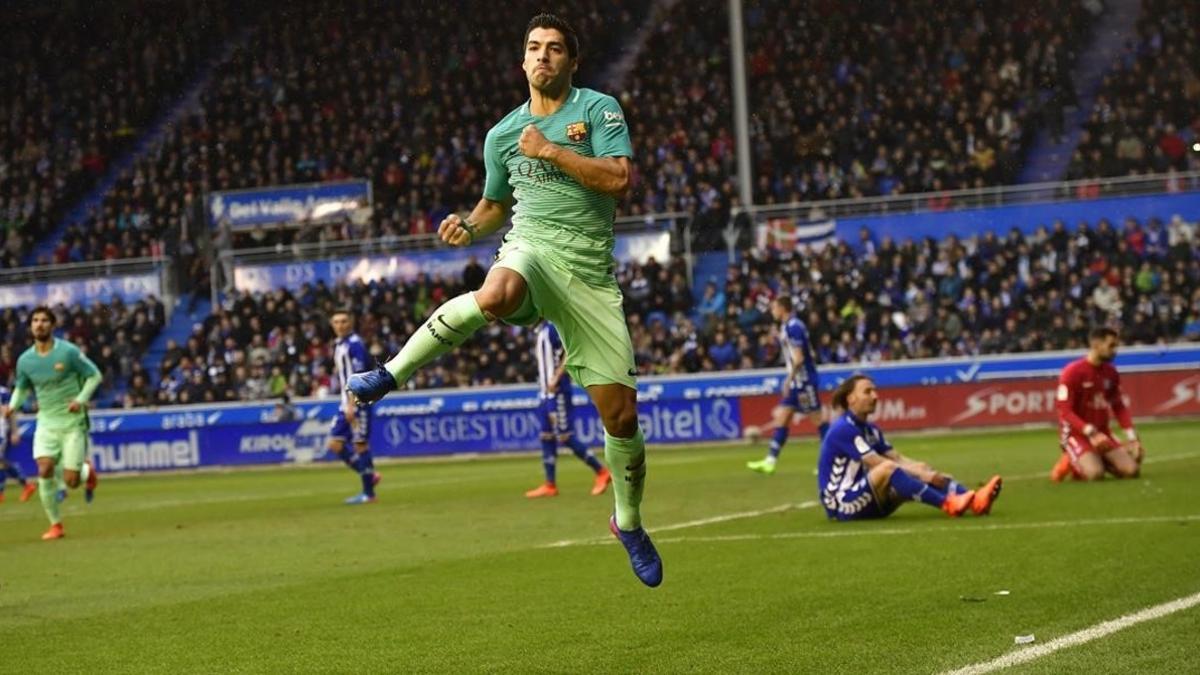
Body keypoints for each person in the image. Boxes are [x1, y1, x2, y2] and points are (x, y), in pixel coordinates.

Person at [348, 13, 661, 586]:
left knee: (621, 419)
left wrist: (550, 151)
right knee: (498, 289)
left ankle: (628, 522)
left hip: (588, 276)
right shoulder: (501, 134)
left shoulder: (597, 109)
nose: (544, 56)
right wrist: (468, 227)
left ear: (571, 62)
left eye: (556, 49)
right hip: (531, 249)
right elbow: (494, 205)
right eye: (534, 48)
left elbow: (618, 179)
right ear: (522, 62)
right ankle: (390, 374)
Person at [818, 375, 1002, 521]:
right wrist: (920, 475)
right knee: (888, 469)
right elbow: (876, 462)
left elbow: (897, 458)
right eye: (868, 392)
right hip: (841, 505)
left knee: (918, 467)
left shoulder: (871, 429)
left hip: (866, 500)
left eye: (875, 391)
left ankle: (976, 500)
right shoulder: (843, 428)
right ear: (851, 398)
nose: (875, 396)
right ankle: (948, 504)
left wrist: (923, 470)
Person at [4, 307, 103, 540]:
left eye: (44, 320)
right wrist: (12, 407)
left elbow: (95, 375)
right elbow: (22, 388)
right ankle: (56, 525)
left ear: (52, 325)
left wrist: (80, 399)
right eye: (35, 320)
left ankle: (87, 474)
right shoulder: (25, 360)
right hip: (46, 422)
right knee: (44, 468)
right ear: (30, 326)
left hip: (72, 423)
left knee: (71, 481)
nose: (39, 324)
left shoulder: (68, 352)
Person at [525, 320, 612, 498]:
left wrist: (557, 377)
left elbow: (571, 349)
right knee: (546, 436)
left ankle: (602, 472)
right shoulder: (539, 330)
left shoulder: (552, 328)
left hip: (557, 391)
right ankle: (550, 484)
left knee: (565, 435)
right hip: (544, 392)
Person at [1050, 327, 1143, 482]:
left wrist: (1133, 438)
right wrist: (1089, 431)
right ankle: (1068, 461)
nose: (1115, 350)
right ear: (1096, 344)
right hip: (1076, 434)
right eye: (1111, 346)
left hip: (1102, 433)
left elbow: (1118, 406)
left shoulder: (1111, 373)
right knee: (1094, 474)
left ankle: (1099, 457)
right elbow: (1064, 411)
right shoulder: (1072, 372)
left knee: (1132, 471)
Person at [748, 296, 828, 475]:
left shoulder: (793, 327)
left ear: (783, 308)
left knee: (819, 421)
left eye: (774, 307)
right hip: (797, 382)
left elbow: (798, 358)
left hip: (804, 381)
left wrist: (789, 379)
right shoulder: (787, 327)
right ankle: (770, 461)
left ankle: (833, 461)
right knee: (783, 417)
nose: (772, 311)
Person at [328, 310, 381, 504]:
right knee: (335, 444)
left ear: (350, 323)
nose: (340, 325)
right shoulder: (339, 345)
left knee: (360, 444)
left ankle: (369, 493)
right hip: (345, 403)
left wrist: (352, 404)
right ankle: (368, 474)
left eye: (344, 321)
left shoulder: (355, 345)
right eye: (336, 322)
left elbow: (360, 376)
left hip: (357, 402)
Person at [0, 384, 37, 504]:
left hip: (1, 429)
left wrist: (15, 431)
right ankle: (26, 484)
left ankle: (24, 485)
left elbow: (10, 412)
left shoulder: (3, 392)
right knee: (1, 462)